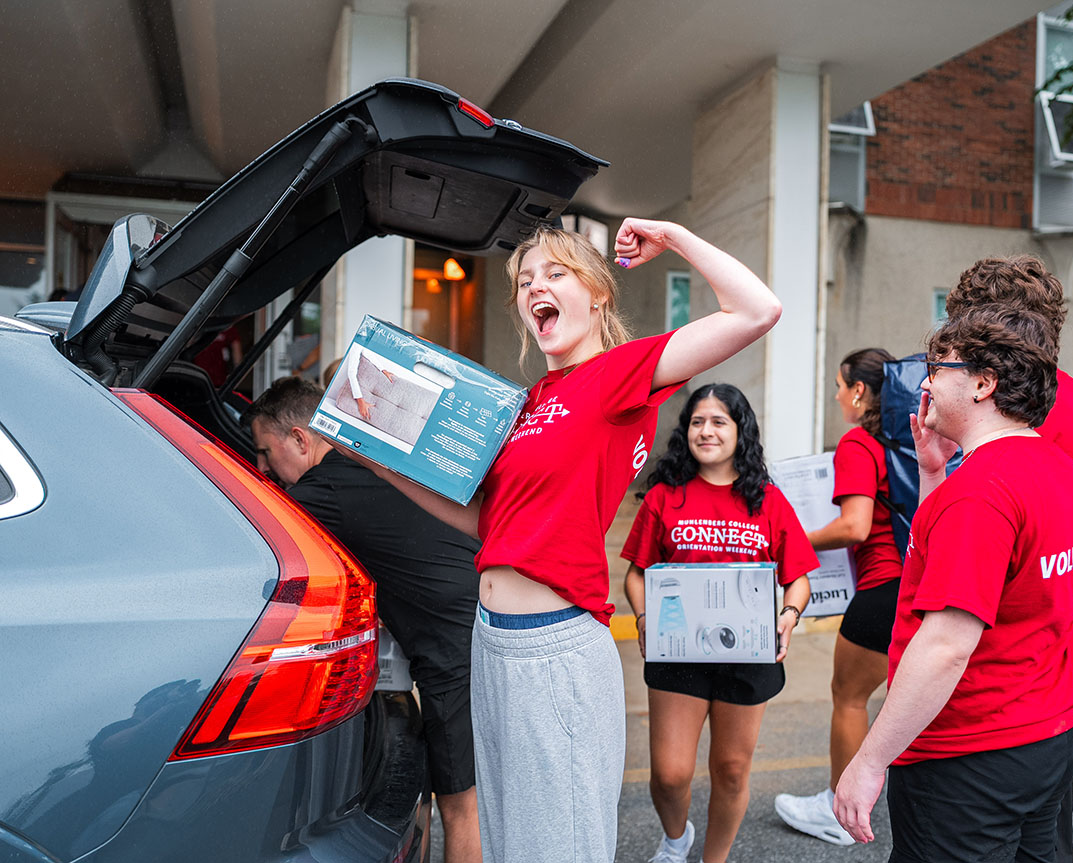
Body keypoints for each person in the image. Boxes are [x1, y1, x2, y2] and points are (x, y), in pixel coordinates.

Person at [339, 218, 783, 863]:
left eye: (554, 274)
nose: (533, 288)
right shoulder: (528, 401)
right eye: (523, 282)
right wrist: (380, 458)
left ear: (597, 294)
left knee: (560, 844)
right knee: (515, 841)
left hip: (554, 645)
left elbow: (756, 309)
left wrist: (674, 237)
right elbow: (487, 520)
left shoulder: (618, 375)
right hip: (492, 640)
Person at [833, 305, 1073, 862]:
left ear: (982, 383)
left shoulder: (980, 493)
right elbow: (954, 571)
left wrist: (869, 759)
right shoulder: (1058, 468)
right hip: (1046, 733)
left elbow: (948, 644)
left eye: (939, 367)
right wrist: (932, 472)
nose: (925, 381)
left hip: (967, 756)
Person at [242, 377, 483, 863]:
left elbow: (257, 554)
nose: (264, 467)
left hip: (455, 651)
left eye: (267, 452)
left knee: (463, 806)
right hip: (478, 624)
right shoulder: (376, 466)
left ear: (300, 439)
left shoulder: (321, 491)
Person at [943, 255, 1073, 863]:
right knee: (1050, 834)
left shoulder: (1008, 417)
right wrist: (1069, 609)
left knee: (988, 837)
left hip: (1012, 670)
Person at [621, 383, 815, 863]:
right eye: (697, 422)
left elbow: (799, 580)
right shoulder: (664, 497)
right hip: (679, 651)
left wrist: (789, 616)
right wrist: (644, 616)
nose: (705, 431)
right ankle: (674, 840)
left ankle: (715, 858)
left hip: (746, 655)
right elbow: (636, 573)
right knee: (669, 774)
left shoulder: (766, 500)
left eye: (719, 421)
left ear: (740, 431)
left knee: (730, 770)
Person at [773, 347, 902, 847]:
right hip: (923, 586)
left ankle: (839, 811)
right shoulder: (915, 437)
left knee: (849, 697)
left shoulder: (859, 442)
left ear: (859, 391)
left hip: (881, 588)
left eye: (839, 384)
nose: (836, 395)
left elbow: (855, 525)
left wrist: (794, 540)